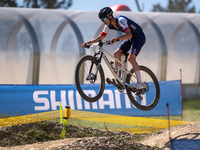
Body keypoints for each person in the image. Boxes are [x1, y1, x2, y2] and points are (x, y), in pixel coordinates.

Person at [81, 7, 146, 89]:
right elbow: (100, 38)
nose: (103, 21)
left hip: (139, 37)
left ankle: (140, 83)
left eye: (104, 19)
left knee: (131, 58)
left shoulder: (121, 20)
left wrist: (117, 38)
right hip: (130, 38)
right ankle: (119, 78)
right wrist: (87, 43)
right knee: (116, 54)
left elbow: (129, 34)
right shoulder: (108, 26)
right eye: (101, 20)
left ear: (110, 16)